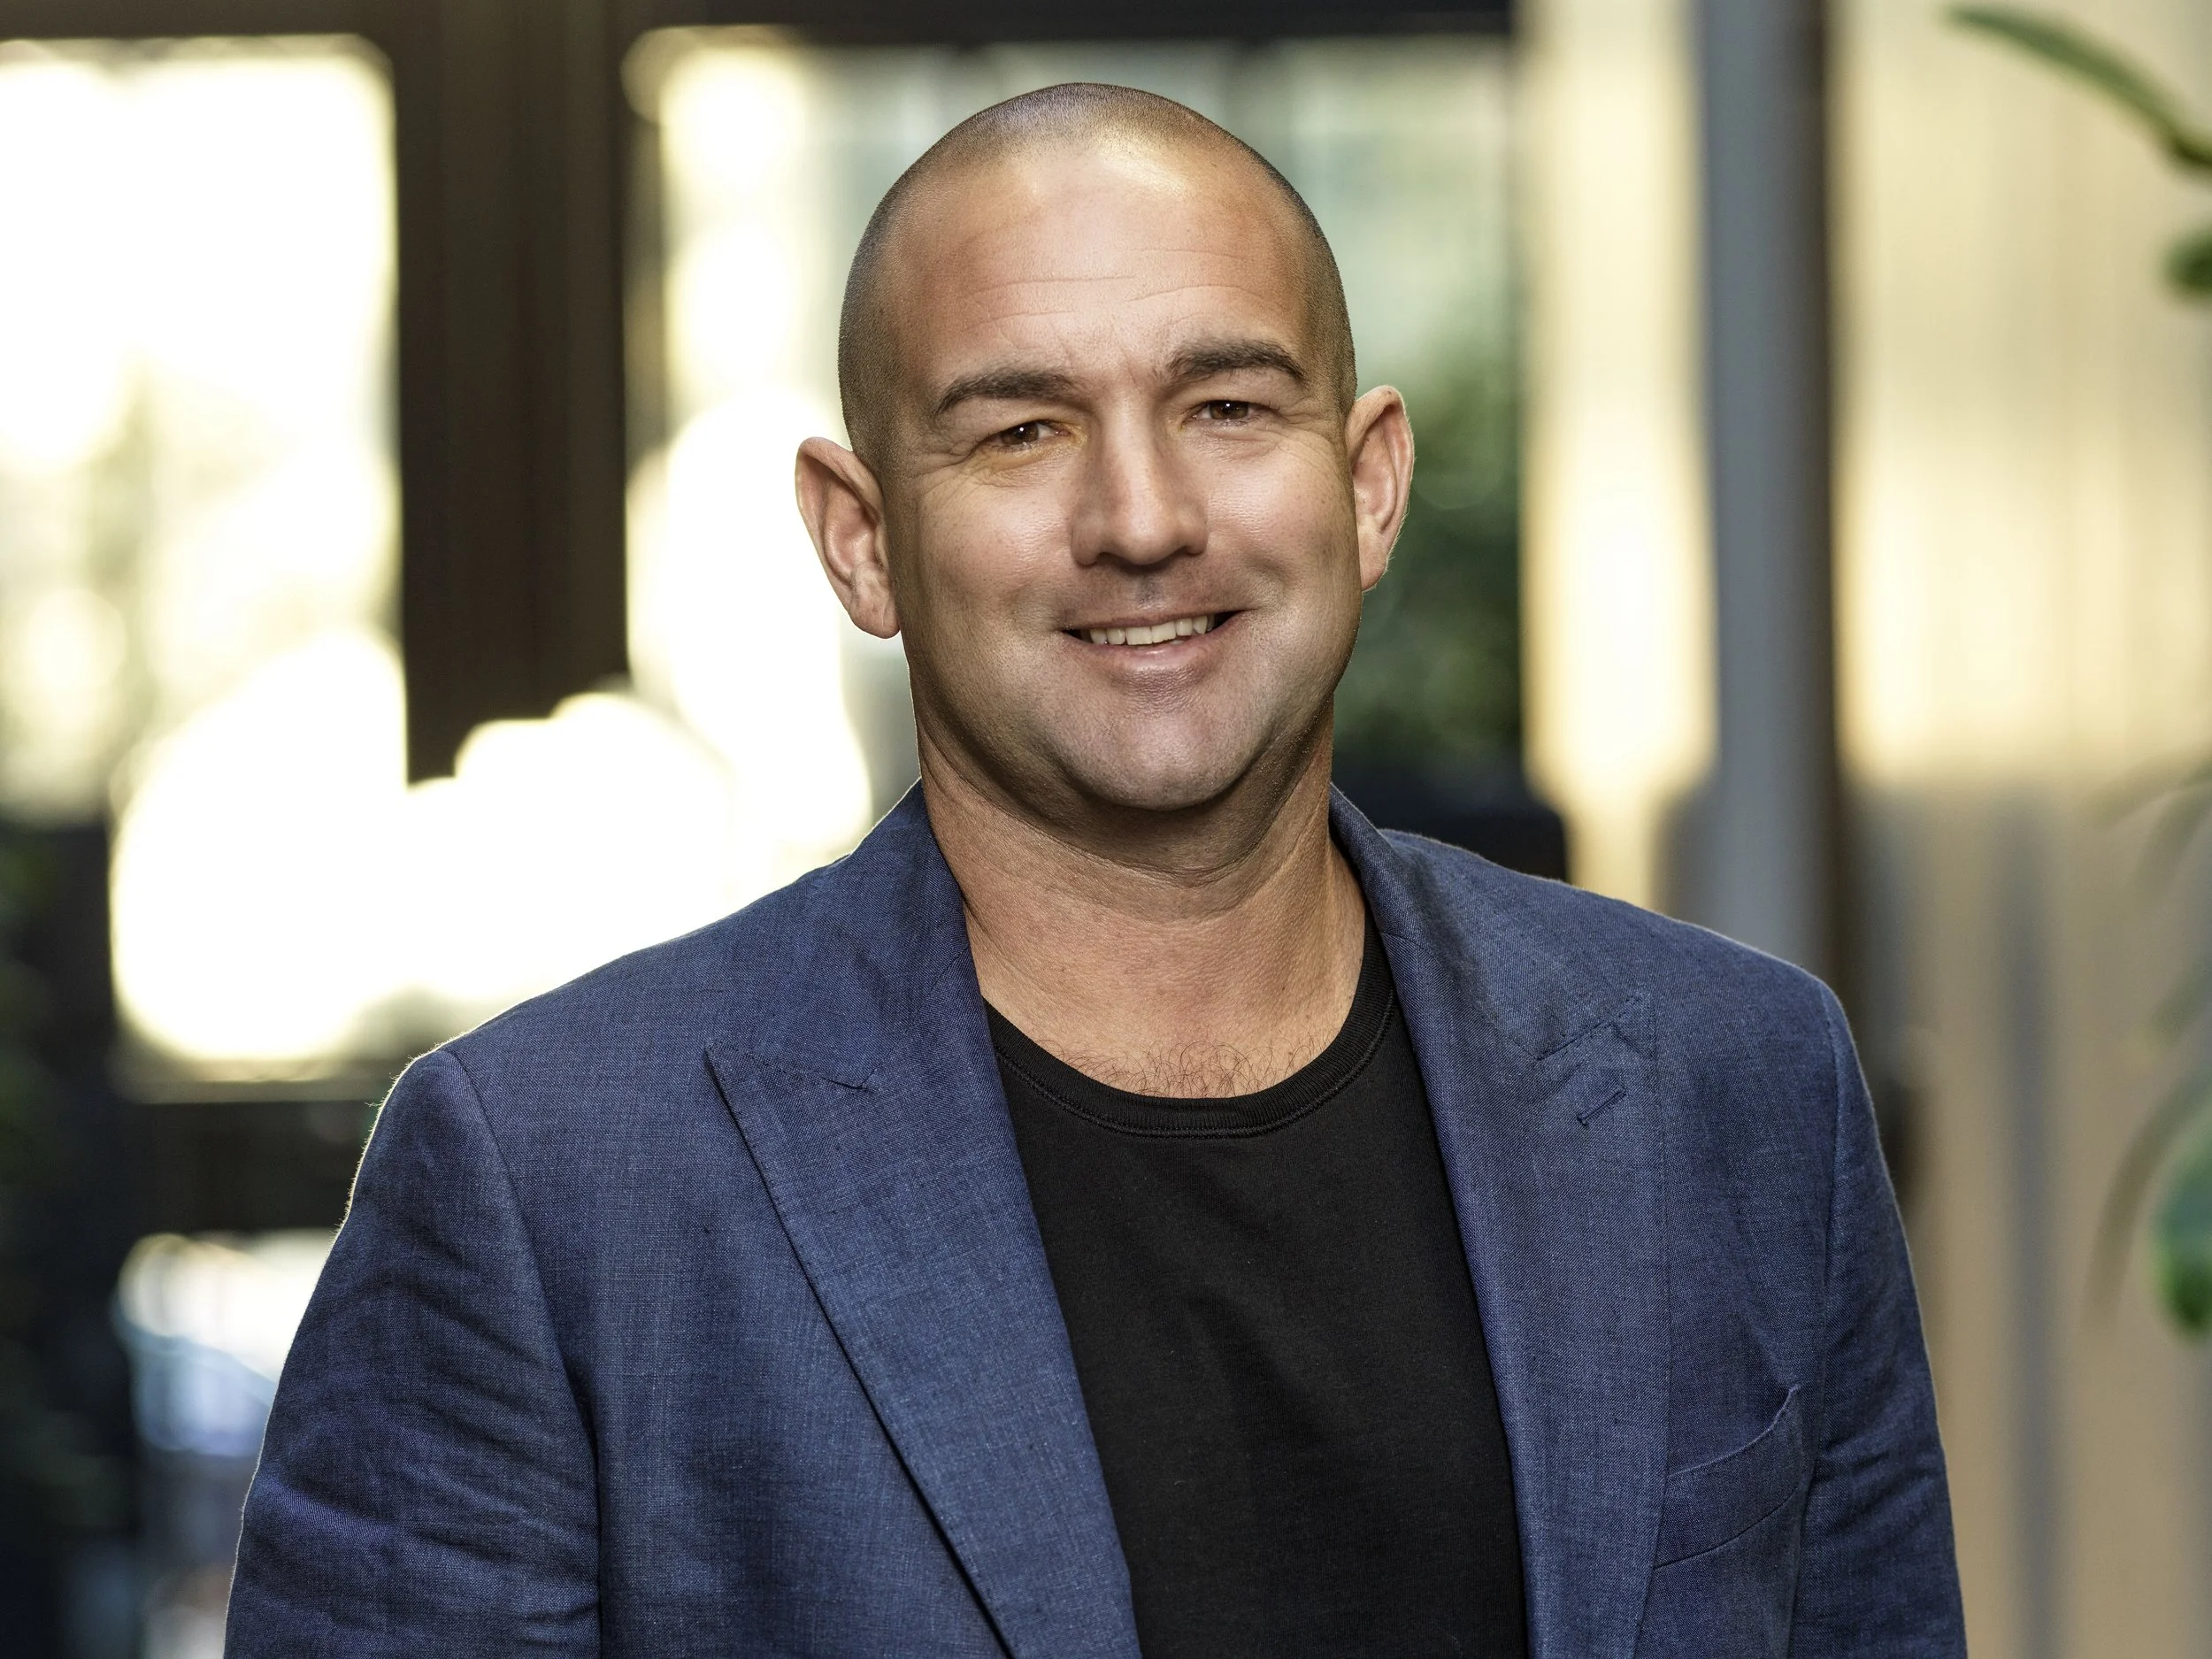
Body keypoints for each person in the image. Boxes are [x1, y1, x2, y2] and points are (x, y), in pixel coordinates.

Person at [226, 84, 1963, 1659]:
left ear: (1363, 487)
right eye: (1019, 432)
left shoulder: (1735, 1084)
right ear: (859, 537)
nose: (1139, 517)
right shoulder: (546, 1185)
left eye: (1224, 405)